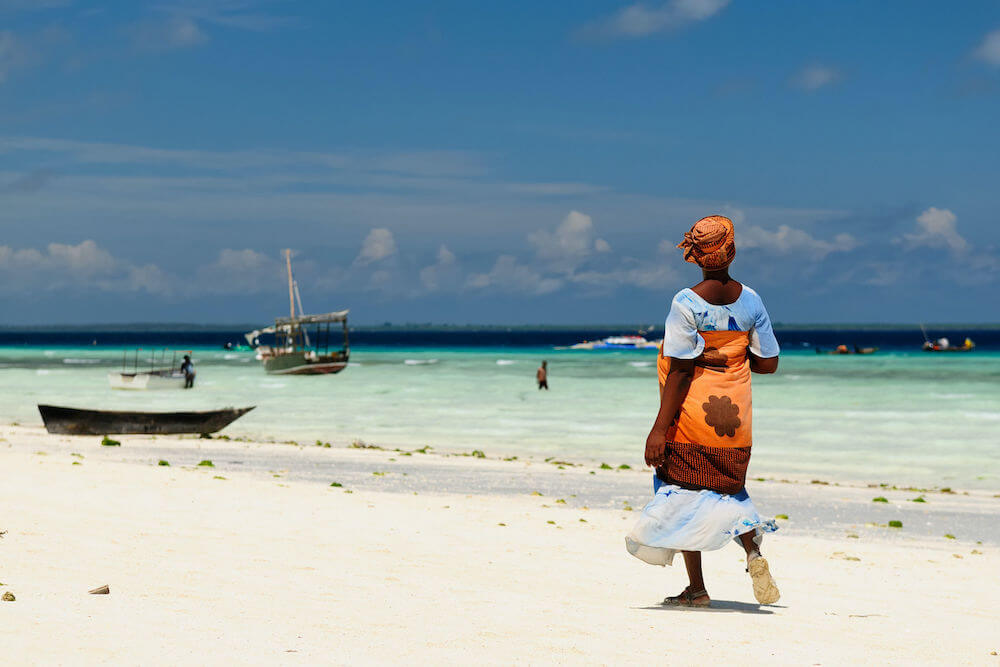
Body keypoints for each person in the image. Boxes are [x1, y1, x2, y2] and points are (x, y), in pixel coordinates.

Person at [625, 215, 781, 607]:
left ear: (696, 256)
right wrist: (731, 351)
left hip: (694, 417)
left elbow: (679, 371)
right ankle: (752, 553)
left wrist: (659, 429)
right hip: (736, 423)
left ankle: (696, 589)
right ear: (732, 251)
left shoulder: (686, 303)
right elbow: (768, 363)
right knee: (729, 491)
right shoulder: (752, 300)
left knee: (682, 493)